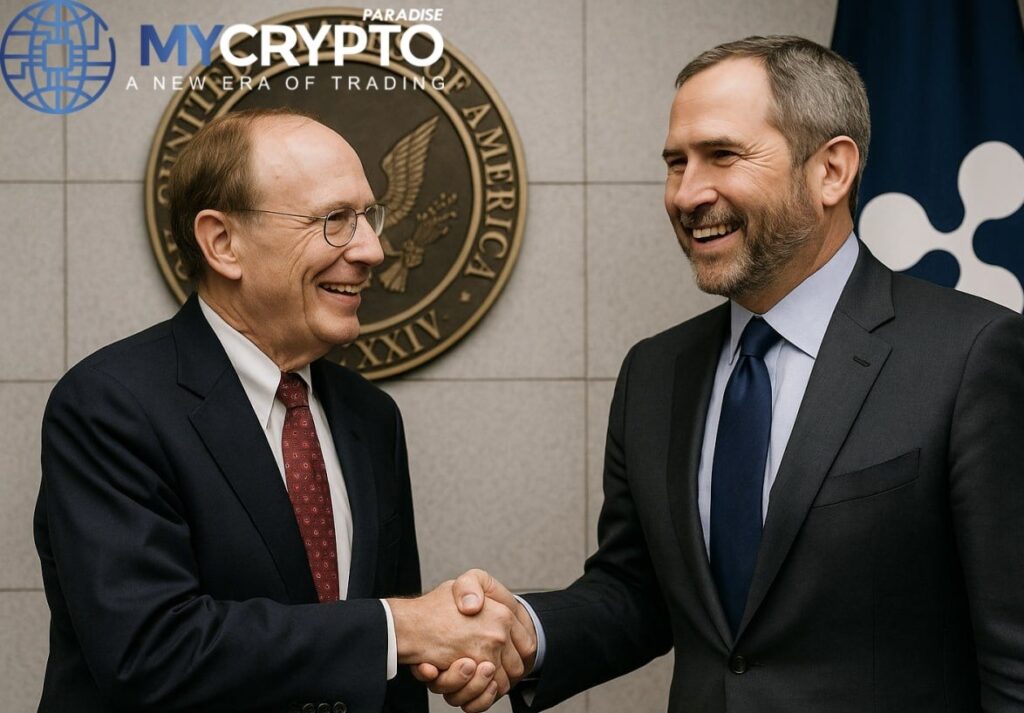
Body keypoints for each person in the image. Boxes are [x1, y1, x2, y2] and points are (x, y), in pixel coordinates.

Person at [420, 35, 1024, 712]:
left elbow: (1014, 654)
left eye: (722, 156)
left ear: (831, 170)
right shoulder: (655, 372)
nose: (686, 194)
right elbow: (638, 591)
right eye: (675, 163)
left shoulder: (971, 356)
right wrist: (524, 633)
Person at [33, 108, 534, 713]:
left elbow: (388, 667)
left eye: (368, 218)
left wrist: (438, 646)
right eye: (334, 221)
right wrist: (401, 627)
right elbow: (150, 653)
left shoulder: (370, 417)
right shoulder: (110, 405)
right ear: (223, 243)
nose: (373, 249)